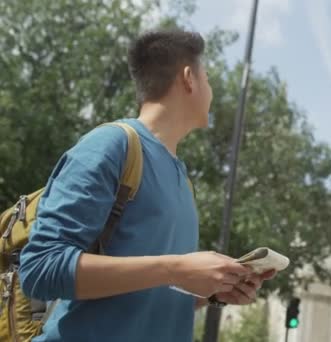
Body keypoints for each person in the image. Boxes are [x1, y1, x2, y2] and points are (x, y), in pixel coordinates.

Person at [18, 29, 273, 342]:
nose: (212, 91)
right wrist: (176, 268)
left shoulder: (184, 182)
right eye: (208, 78)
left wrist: (215, 290)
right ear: (189, 78)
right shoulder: (111, 145)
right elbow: (40, 269)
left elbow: (149, 294)